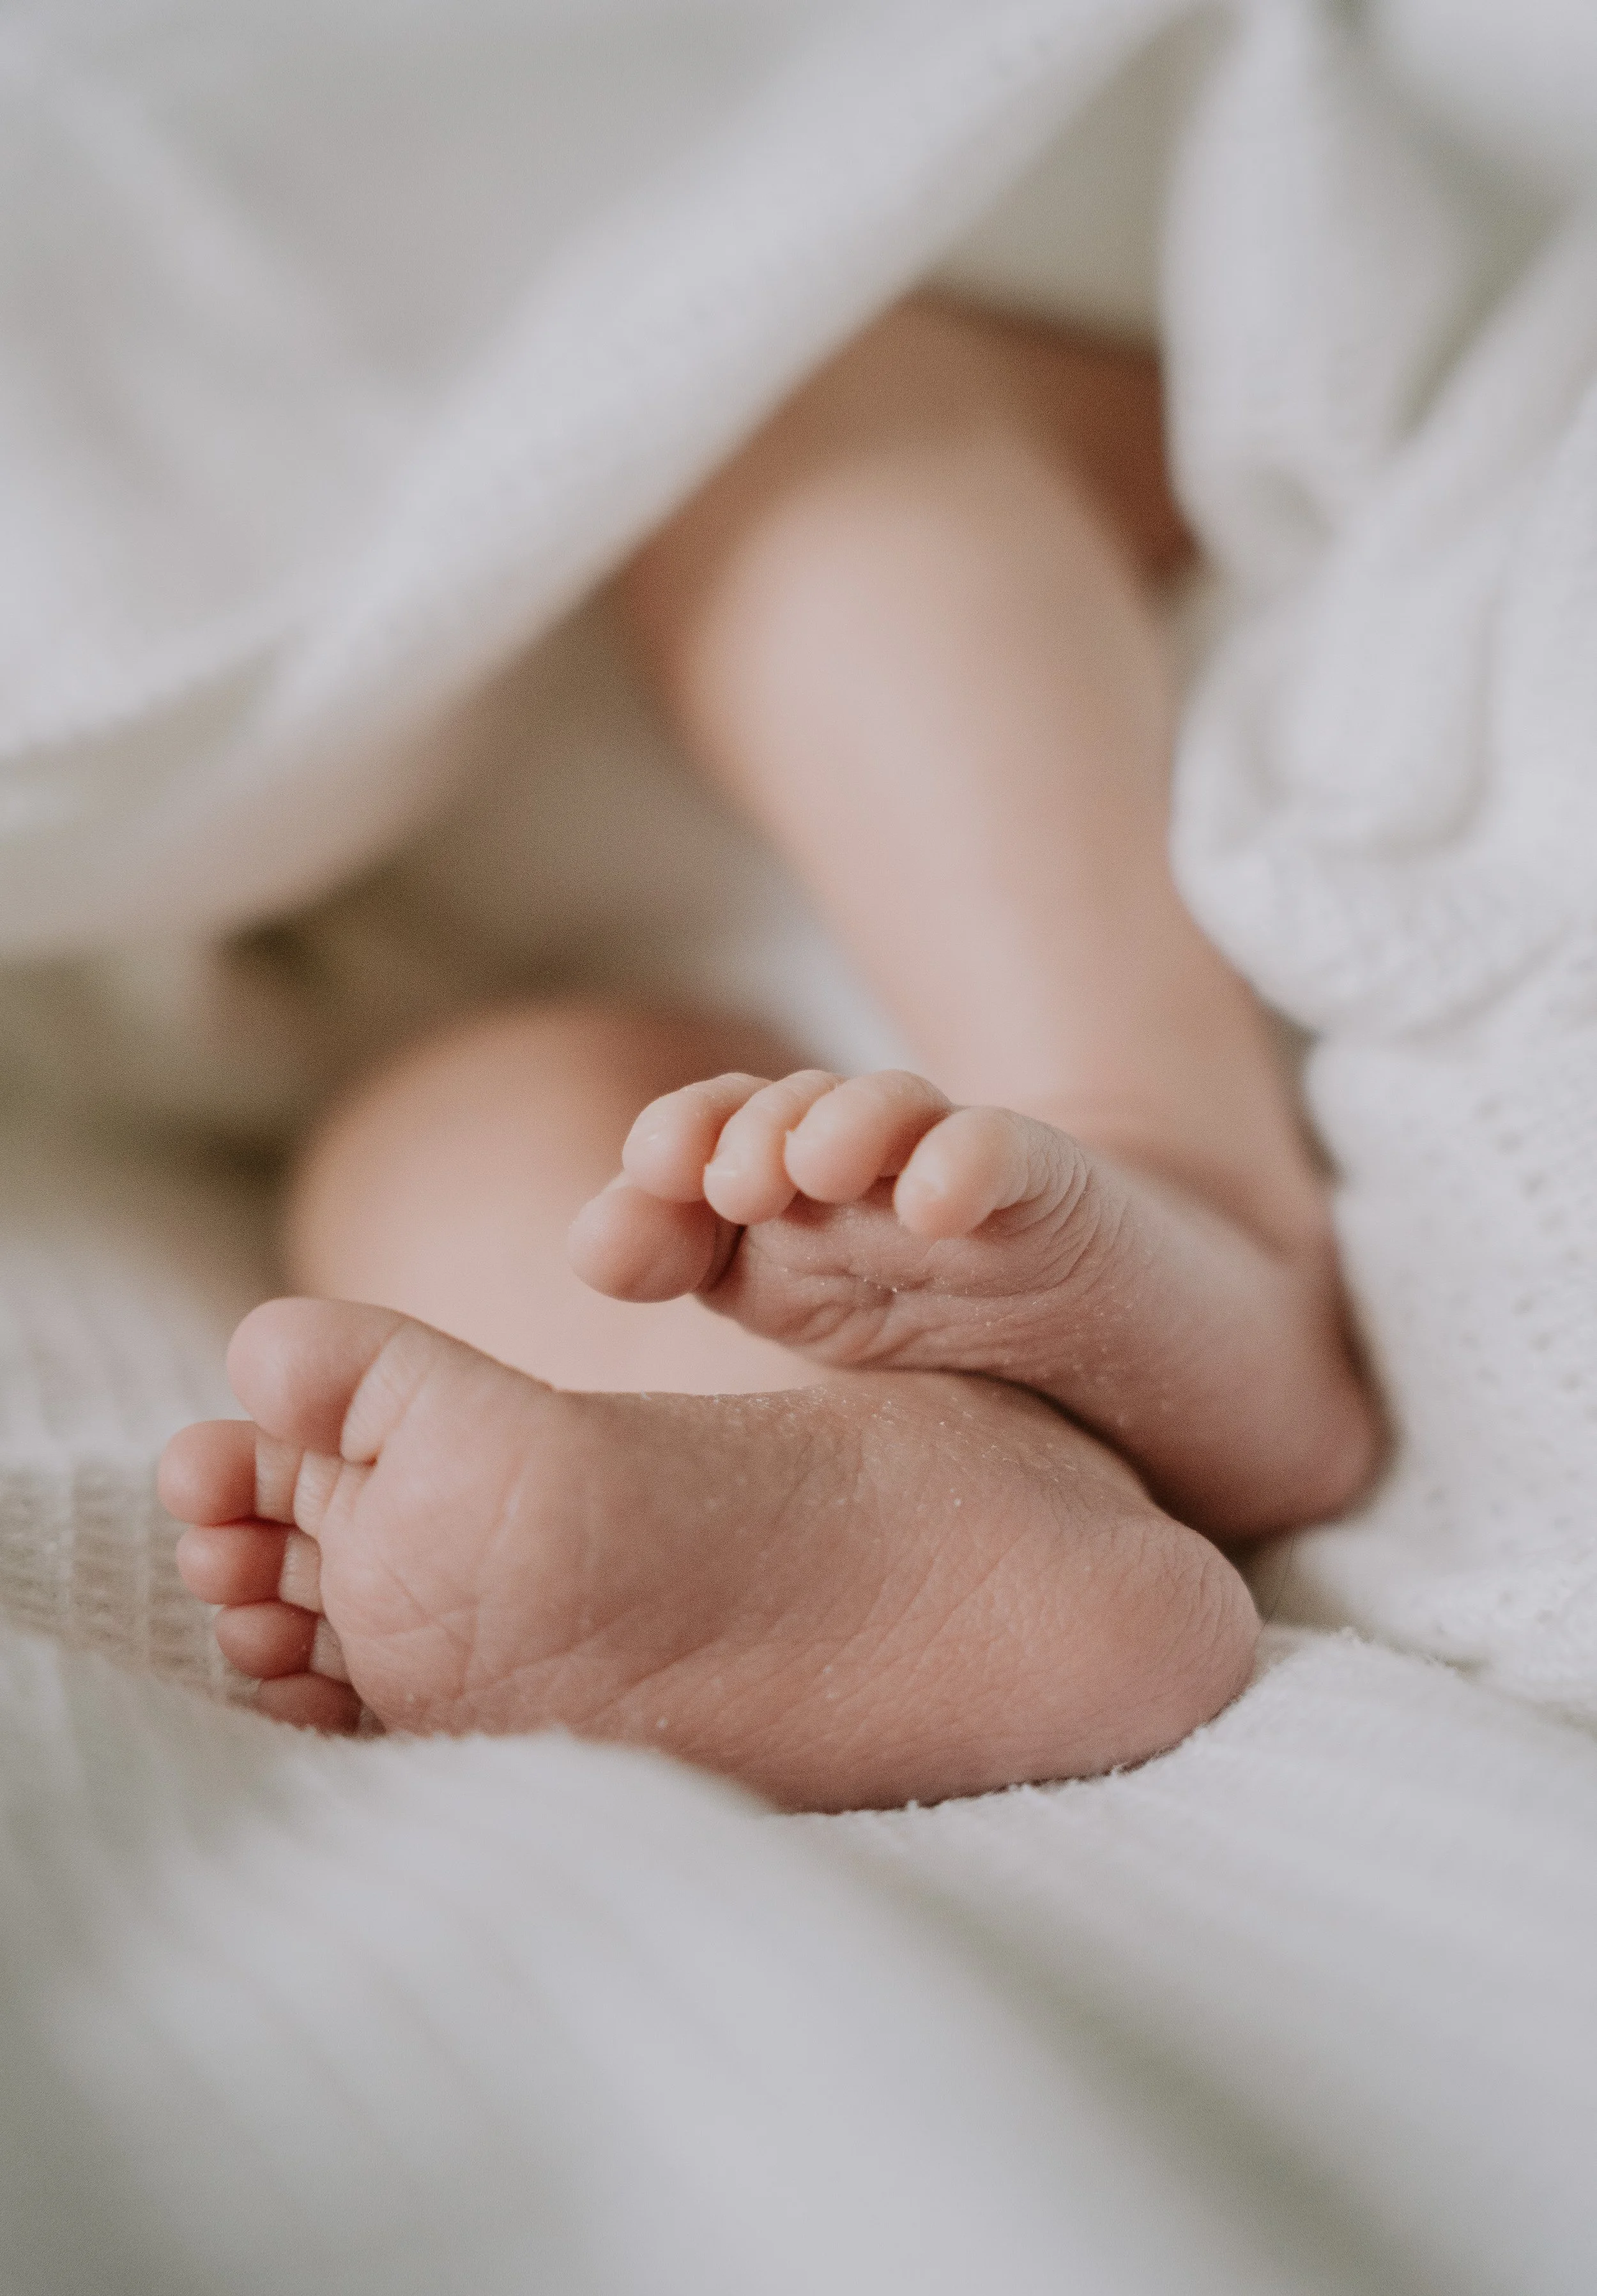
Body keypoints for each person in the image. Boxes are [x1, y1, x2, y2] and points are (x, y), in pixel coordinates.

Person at [158, 297, 1379, 1810]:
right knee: (414, 1134)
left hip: (1009, 751)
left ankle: (1173, 1172)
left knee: (776, 392)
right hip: (485, 927)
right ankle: (867, 1471)